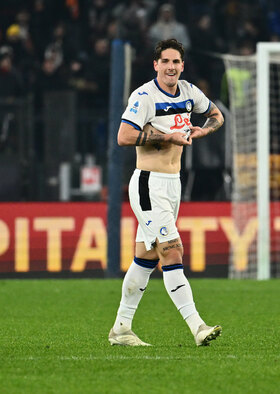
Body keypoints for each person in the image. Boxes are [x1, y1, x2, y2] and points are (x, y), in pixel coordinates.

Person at [108, 38, 224, 347]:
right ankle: (197, 326)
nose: (171, 67)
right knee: (172, 251)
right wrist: (167, 136)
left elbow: (217, 116)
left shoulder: (188, 92)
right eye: (165, 62)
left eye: (176, 62)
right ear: (156, 65)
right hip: (149, 182)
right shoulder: (144, 96)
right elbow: (124, 135)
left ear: (182, 66)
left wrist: (204, 129)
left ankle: (121, 329)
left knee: (145, 258)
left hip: (173, 184)